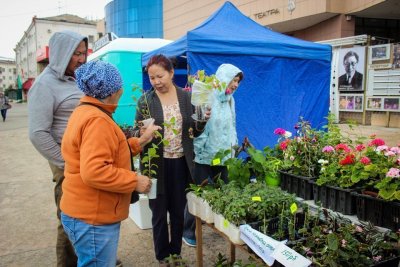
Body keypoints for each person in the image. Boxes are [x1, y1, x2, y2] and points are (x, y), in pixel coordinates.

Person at [59, 60, 159, 266]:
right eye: (119, 84)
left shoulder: (85, 111)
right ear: (113, 91)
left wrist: (139, 142)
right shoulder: (97, 121)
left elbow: (105, 151)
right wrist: (134, 181)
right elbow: (95, 171)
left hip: (82, 212)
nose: (122, 88)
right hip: (92, 218)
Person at [133, 54, 203, 265]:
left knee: (178, 209)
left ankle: (176, 252)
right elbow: (137, 132)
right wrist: (143, 132)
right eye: (152, 78)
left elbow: (195, 131)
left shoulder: (186, 97)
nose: (156, 82)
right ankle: (163, 255)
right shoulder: (146, 100)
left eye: (160, 76)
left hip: (181, 162)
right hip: (156, 165)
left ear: (172, 73)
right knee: (158, 210)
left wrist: (203, 120)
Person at [28, 30, 88, 267]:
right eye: (77, 53)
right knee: (69, 218)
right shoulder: (44, 85)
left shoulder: (76, 78)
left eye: (84, 53)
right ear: (62, 53)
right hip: (67, 163)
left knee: (87, 215)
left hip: (86, 159)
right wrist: (66, 162)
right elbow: (37, 134)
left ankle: (93, 256)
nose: (82, 59)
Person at [182, 63, 244, 247]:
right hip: (204, 155)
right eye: (234, 80)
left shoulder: (230, 99)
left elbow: (232, 124)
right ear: (224, 77)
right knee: (199, 193)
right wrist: (198, 151)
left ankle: (221, 224)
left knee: (223, 191)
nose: (236, 85)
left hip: (223, 155)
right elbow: (200, 125)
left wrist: (233, 146)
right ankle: (188, 230)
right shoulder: (207, 95)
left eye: (238, 81)